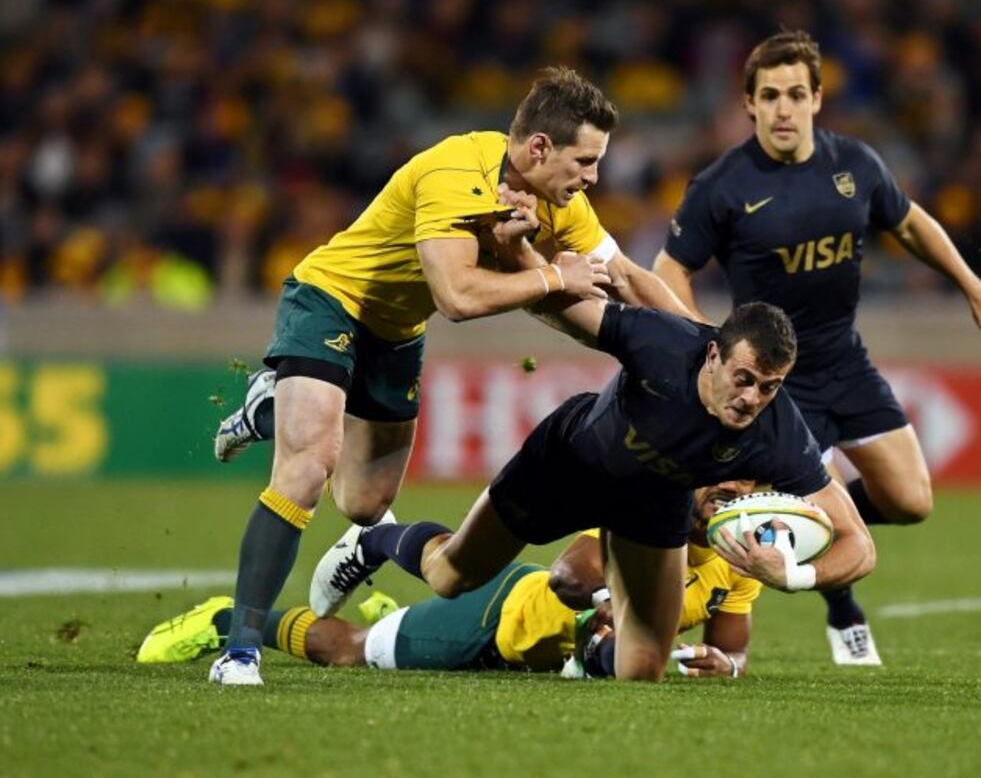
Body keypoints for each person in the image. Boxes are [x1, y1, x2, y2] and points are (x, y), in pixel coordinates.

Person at [208, 67, 691, 686]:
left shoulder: (559, 201)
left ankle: (269, 407)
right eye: (586, 160)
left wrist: (706, 345)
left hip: (396, 332)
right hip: (331, 298)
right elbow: (459, 296)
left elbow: (623, 276)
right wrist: (549, 276)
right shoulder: (455, 170)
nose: (594, 177)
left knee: (364, 502)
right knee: (307, 464)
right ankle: (241, 650)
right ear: (540, 147)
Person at [650, 30, 981, 666]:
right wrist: (707, 343)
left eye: (797, 94)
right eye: (770, 96)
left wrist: (975, 288)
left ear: (818, 98)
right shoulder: (722, 185)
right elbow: (667, 268)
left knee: (912, 501)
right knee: (728, 510)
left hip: (845, 361)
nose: (784, 108)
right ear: (749, 104)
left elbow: (908, 222)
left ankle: (821, 524)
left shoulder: (856, 165)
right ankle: (773, 617)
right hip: (776, 383)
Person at [309, 298, 876, 682]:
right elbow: (562, 309)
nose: (752, 399)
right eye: (744, 379)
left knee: (643, 668)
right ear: (713, 355)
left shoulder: (780, 435)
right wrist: (535, 269)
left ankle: (586, 653)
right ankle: (376, 540)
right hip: (571, 463)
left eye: (769, 387)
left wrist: (796, 576)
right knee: (452, 574)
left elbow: (859, 547)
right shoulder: (662, 344)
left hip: (652, 500)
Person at [137, 481, 761, 679]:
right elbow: (574, 573)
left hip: (537, 657)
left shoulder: (740, 564)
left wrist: (723, 663)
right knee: (350, 651)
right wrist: (607, 609)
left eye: (747, 491)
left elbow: (733, 645)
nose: (731, 498)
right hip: (498, 621)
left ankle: (385, 584)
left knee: (444, 568)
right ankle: (224, 619)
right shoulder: (650, 527)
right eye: (723, 486)